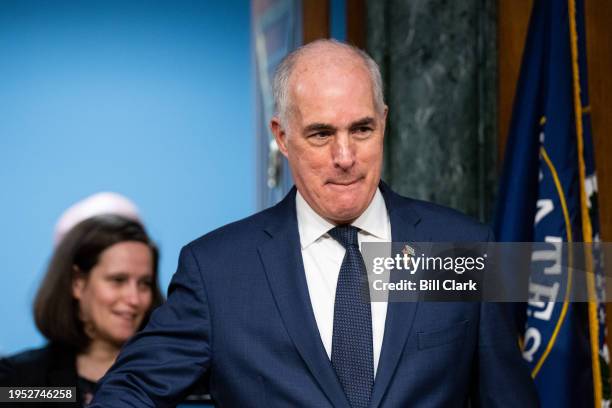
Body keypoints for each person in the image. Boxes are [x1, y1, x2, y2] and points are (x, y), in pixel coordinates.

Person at [91, 39, 538, 407]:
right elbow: (129, 392)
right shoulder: (219, 272)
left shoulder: (463, 248)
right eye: (321, 134)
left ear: (383, 123)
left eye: (361, 130)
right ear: (282, 137)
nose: (345, 157)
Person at [0, 214, 164, 407]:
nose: (134, 299)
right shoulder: (19, 380)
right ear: (77, 282)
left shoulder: (176, 377)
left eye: (144, 283)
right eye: (118, 280)